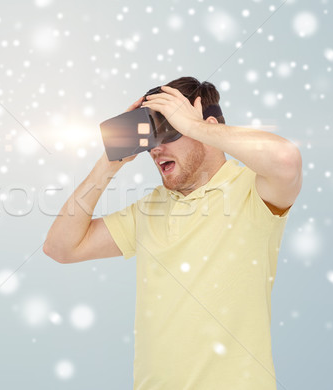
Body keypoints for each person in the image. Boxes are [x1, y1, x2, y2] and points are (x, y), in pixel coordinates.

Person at [43, 76, 302, 389]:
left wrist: (195, 126)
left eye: (169, 130)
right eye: (150, 138)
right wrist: (109, 164)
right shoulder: (150, 209)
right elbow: (61, 247)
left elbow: (287, 160)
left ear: (207, 127)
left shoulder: (251, 190)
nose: (156, 148)